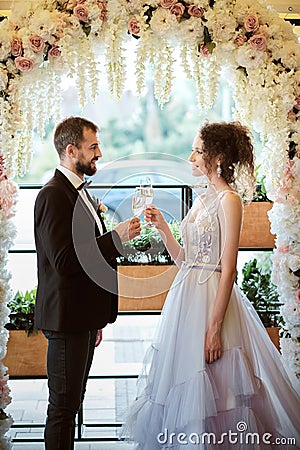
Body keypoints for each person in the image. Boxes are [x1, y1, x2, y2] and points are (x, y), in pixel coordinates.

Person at [121, 121, 300, 449]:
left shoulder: (230, 200)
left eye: (198, 151)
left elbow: (229, 268)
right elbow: (185, 260)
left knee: (221, 395)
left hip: (214, 304)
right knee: (182, 386)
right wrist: (163, 227)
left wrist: (214, 327)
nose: (191, 157)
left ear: (217, 157)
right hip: (186, 302)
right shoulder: (202, 198)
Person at [34, 116, 141, 450]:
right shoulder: (53, 195)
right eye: (93, 146)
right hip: (67, 321)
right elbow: (64, 262)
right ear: (71, 150)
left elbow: (87, 256)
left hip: (82, 318)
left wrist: (96, 319)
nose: (99, 152)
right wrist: (114, 239)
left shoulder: (78, 192)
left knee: (72, 404)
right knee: (63, 410)